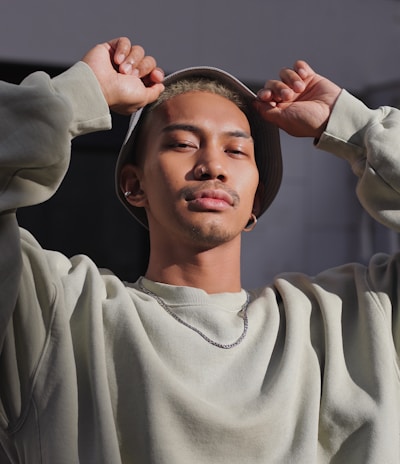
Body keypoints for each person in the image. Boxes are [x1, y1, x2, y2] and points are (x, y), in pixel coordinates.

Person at [1, 36, 400, 464]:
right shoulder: (57, 313)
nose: (213, 165)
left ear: (256, 201)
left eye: (236, 150)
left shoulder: (354, 317)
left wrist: (355, 127)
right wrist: (79, 93)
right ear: (134, 184)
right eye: (183, 144)